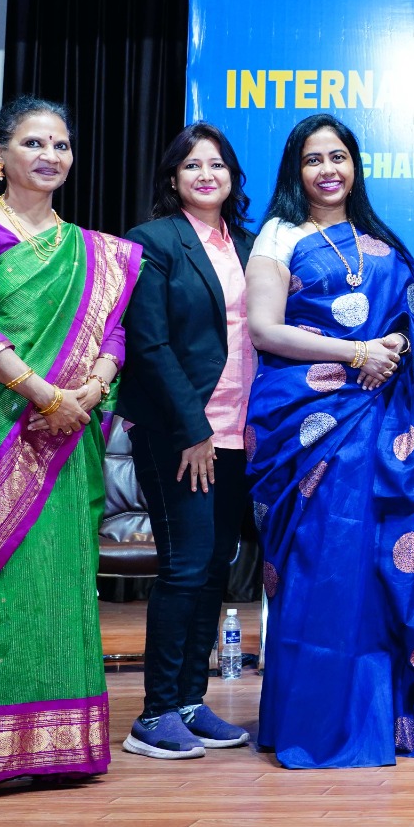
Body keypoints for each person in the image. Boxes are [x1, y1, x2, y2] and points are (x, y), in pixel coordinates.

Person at [0, 96, 141, 792]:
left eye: (61, 145)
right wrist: (46, 395)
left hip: (67, 437)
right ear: (0, 153)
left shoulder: (95, 252)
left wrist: (89, 393)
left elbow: (113, 334)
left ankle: (63, 749)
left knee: (62, 582)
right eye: (34, 143)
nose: (50, 156)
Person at [245, 113, 414, 769]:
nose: (328, 170)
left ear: (355, 165)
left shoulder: (380, 238)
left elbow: (409, 318)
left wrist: (390, 345)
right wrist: (356, 352)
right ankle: (317, 723)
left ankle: (392, 718)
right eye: (313, 159)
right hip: (308, 425)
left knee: (382, 565)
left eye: (338, 156)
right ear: (296, 170)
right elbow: (265, 330)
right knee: (321, 566)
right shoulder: (280, 236)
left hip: (382, 419)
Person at [117, 123, 257, 760]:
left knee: (214, 569)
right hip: (181, 433)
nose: (206, 175)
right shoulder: (152, 242)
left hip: (240, 434)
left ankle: (192, 703)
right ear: (173, 178)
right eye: (193, 165)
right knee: (184, 566)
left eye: (217, 165)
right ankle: (154, 715)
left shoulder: (248, 246)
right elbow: (148, 346)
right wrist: (194, 430)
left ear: (232, 177)